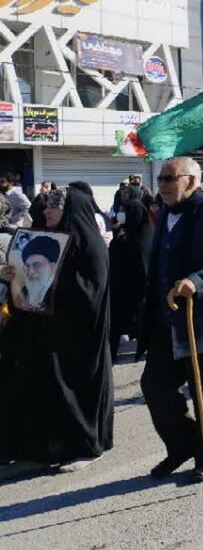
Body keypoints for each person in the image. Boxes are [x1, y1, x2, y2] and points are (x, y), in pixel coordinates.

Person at [140, 157, 203, 481]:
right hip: (167, 324)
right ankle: (182, 445)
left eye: (171, 178)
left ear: (192, 181)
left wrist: (196, 281)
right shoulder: (163, 215)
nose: (164, 185)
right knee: (154, 387)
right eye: (161, 179)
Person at [0, 186, 113, 470]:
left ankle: (85, 447)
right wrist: (12, 277)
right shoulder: (42, 238)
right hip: (45, 330)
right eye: (47, 206)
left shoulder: (89, 244)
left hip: (77, 336)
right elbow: (28, 286)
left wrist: (53, 285)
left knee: (73, 388)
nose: (47, 211)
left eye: (54, 207)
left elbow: (89, 293)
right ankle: (41, 449)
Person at [109, 196, 154, 361]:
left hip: (138, 291)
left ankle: (143, 349)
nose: (120, 214)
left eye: (123, 211)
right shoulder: (129, 233)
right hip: (123, 289)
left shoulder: (143, 239)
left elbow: (144, 269)